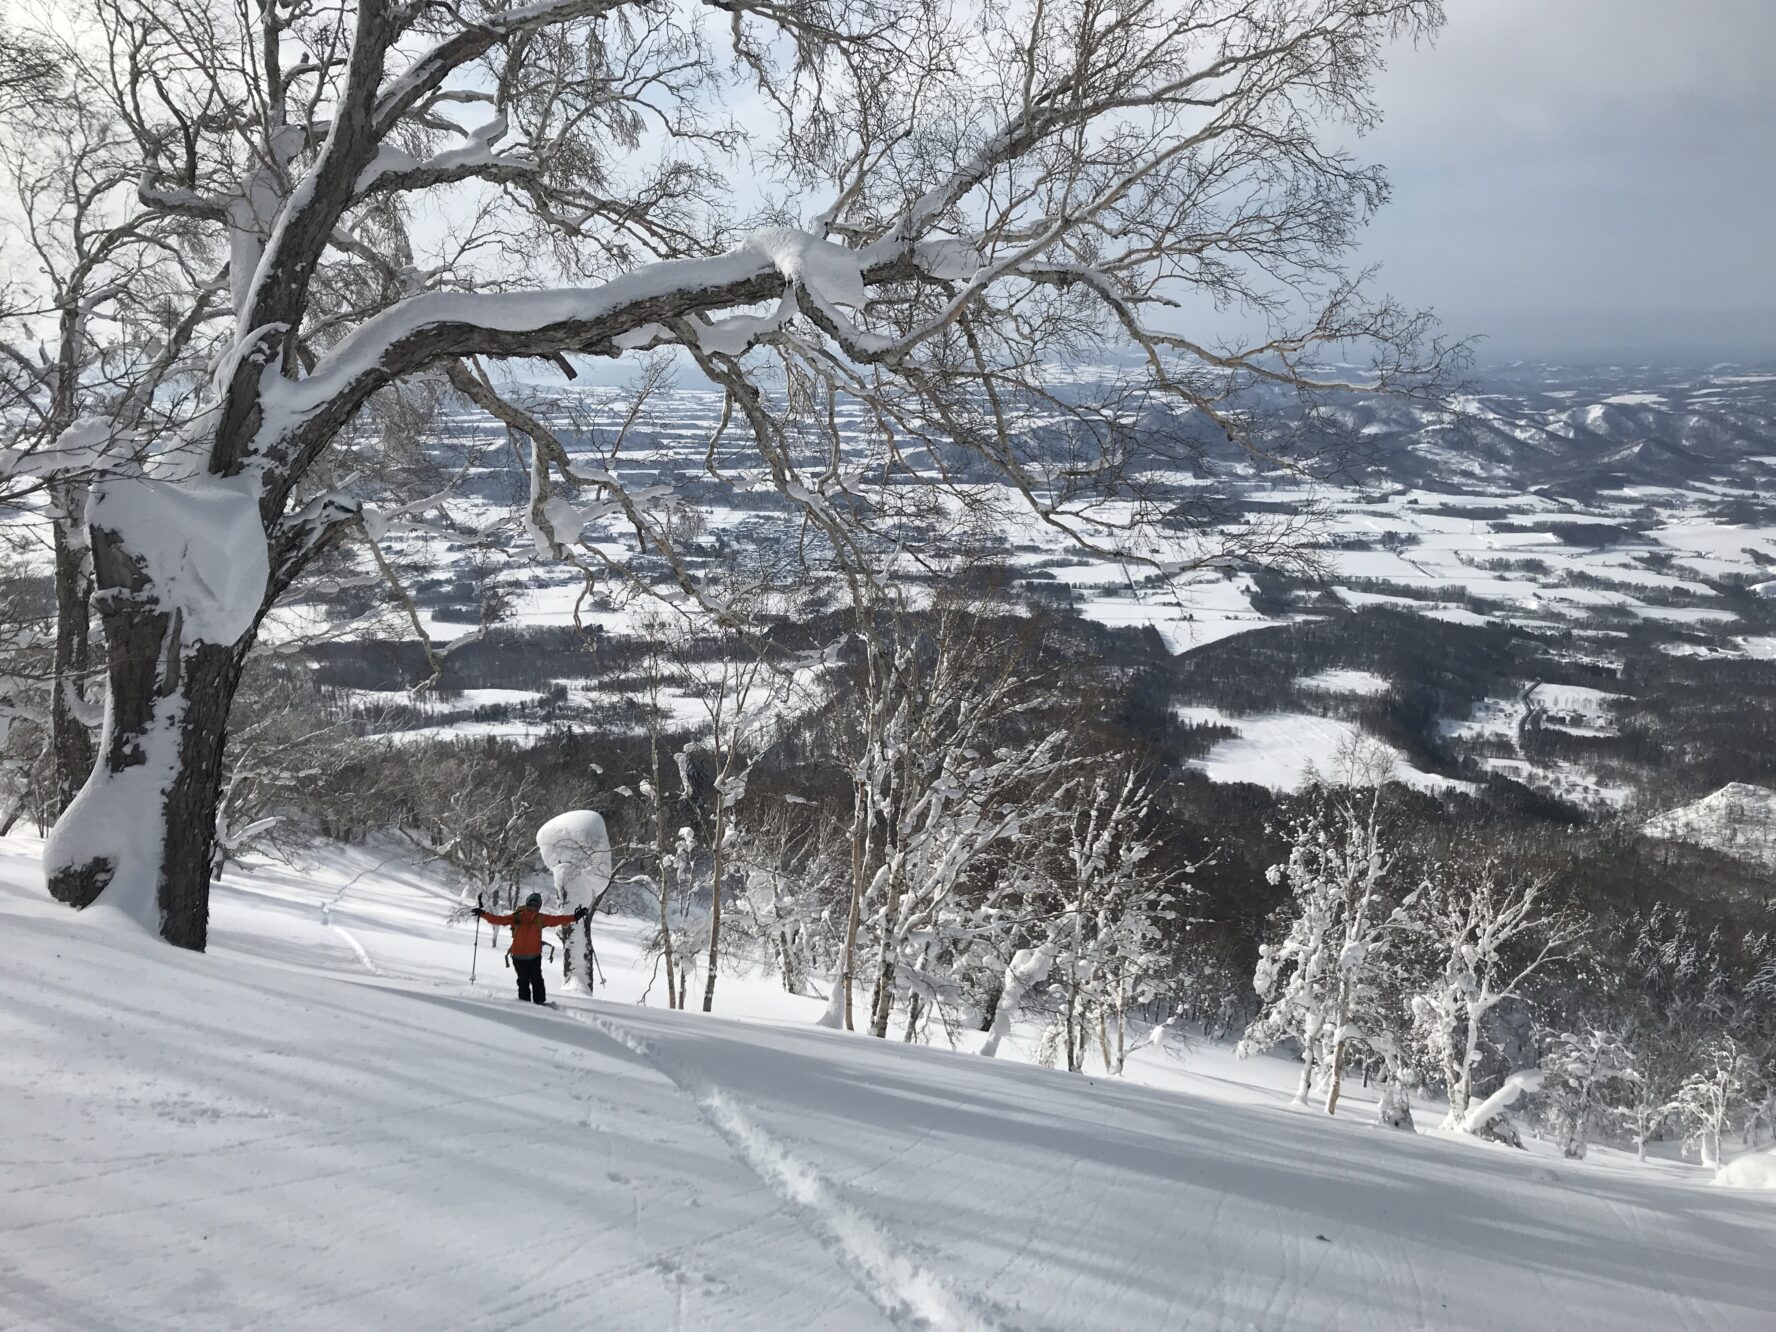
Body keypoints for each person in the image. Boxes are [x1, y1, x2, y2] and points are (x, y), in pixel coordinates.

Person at [472, 892, 587, 1005]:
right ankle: (524, 1004)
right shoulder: (517, 917)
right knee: (523, 981)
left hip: (534, 957)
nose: (532, 907)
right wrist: (483, 914)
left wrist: (574, 917)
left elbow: (558, 919)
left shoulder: (541, 918)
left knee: (537, 980)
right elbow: (499, 920)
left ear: (539, 906)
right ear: (527, 904)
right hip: (518, 956)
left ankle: (540, 1003)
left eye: (535, 905)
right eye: (530, 904)